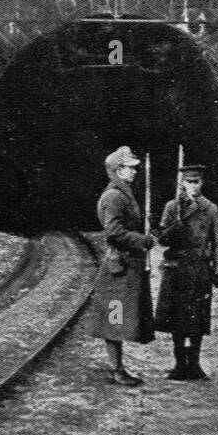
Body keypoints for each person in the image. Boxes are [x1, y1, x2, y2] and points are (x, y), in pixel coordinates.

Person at [89, 144, 156, 386]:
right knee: (114, 319)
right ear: (118, 169)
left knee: (118, 318)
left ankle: (116, 367)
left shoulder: (123, 193)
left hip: (127, 266)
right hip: (120, 267)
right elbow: (114, 232)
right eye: (129, 168)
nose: (134, 172)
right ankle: (116, 369)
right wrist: (143, 240)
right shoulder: (114, 196)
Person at [154, 163, 218, 381]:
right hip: (177, 267)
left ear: (202, 183)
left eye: (197, 182)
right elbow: (162, 239)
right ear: (182, 184)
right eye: (189, 182)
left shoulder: (210, 209)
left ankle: (194, 365)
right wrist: (171, 228)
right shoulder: (172, 207)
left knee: (197, 319)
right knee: (176, 318)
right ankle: (179, 364)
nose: (193, 186)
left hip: (199, 269)